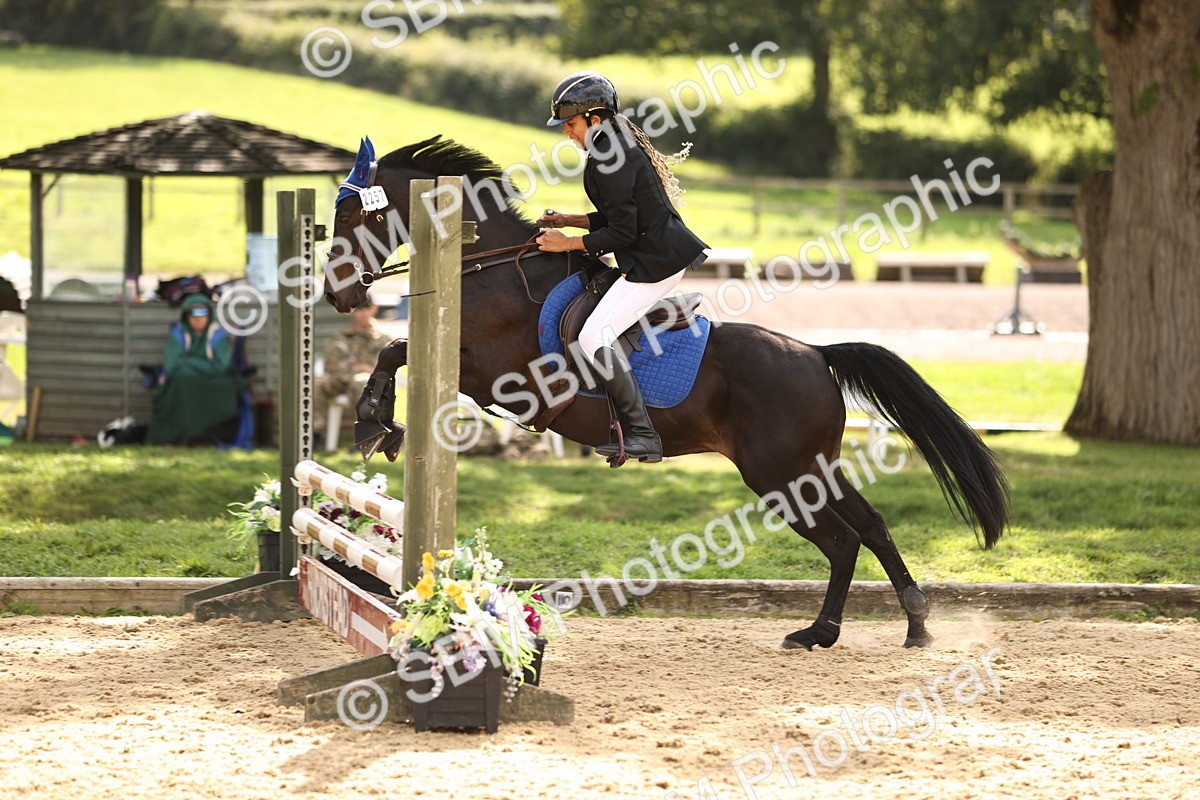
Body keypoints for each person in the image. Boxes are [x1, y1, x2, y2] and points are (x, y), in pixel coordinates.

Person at [536, 71, 709, 465]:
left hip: (657, 263)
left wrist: (568, 243)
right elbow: (617, 216)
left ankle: (643, 434)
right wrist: (571, 220)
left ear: (595, 119)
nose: (567, 133)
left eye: (571, 123)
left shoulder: (610, 156)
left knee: (594, 337)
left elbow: (624, 231)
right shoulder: (612, 147)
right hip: (652, 254)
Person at [146, 293, 246, 445]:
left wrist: (188, 362)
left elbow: (221, 366)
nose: (197, 318)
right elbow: (172, 364)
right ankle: (167, 437)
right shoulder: (178, 333)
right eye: (192, 313)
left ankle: (180, 436)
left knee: (183, 376)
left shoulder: (218, 334)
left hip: (215, 384)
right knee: (178, 380)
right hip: (182, 383)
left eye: (202, 312)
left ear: (209, 314)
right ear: (185, 316)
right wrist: (200, 365)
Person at [316, 299, 391, 444]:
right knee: (315, 385)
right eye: (358, 309)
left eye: (365, 308)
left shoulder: (383, 339)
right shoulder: (341, 337)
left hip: (370, 384)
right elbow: (329, 364)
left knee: (361, 382)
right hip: (341, 379)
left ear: (374, 309)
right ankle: (316, 433)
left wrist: (362, 367)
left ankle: (364, 436)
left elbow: (386, 371)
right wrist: (346, 367)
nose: (361, 313)